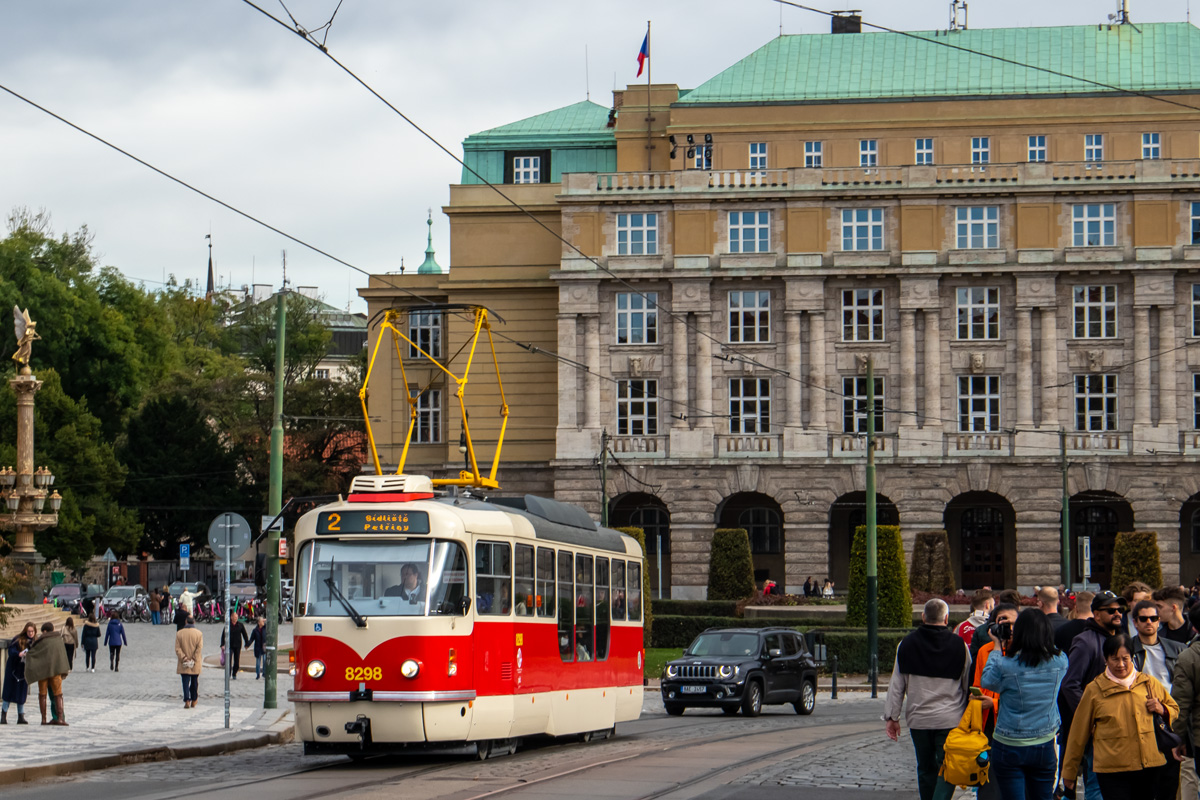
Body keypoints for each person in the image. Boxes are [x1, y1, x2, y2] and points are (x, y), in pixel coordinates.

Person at [1062, 634, 1184, 800]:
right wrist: (1069, 772)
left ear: (1132, 658)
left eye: (1125, 658)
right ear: (1106, 660)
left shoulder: (1149, 683)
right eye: (1115, 659)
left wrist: (1162, 709)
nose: (1121, 664)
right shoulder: (1094, 690)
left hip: (1148, 766)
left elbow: (1174, 709)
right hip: (1112, 769)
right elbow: (1078, 733)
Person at [883, 599, 971, 800]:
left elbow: (897, 684)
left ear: (923, 617)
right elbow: (967, 682)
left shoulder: (906, 644)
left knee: (925, 767)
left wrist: (892, 717)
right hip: (951, 718)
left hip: (919, 718)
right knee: (948, 766)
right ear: (946, 618)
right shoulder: (960, 645)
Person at [979, 608, 1069, 799]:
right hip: (1044, 742)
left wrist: (997, 645)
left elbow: (987, 680)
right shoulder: (1060, 661)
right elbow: (1046, 652)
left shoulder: (1006, 666)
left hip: (1009, 743)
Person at [1060, 589, 1126, 800]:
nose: (1117, 614)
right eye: (1111, 610)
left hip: (1122, 723)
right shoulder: (1085, 641)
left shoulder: (1121, 638)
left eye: (1119, 610)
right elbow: (1070, 684)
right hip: (1099, 727)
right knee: (1097, 784)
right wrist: (1091, 716)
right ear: (1096, 614)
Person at [24, 621, 69, 726]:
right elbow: (62, 655)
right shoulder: (58, 639)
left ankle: (43, 719)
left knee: (42, 694)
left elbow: (34, 653)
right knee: (58, 694)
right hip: (56, 671)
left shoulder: (41, 641)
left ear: (44, 631)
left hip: (43, 673)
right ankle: (60, 719)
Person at [1, 621, 35, 724]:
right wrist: (18, 654)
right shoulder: (18, 640)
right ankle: (3, 716)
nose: (30, 633)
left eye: (32, 631)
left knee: (21, 693)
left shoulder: (35, 642)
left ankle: (21, 716)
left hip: (23, 670)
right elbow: (11, 651)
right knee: (8, 692)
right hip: (13, 669)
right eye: (29, 631)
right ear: (25, 631)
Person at [175, 615, 202, 708]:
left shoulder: (179, 633)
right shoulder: (199, 633)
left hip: (184, 662)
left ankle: (187, 700)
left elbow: (177, 648)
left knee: (185, 682)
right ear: (194, 622)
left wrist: (184, 658)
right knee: (194, 682)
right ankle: (194, 699)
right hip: (195, 662)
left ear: (186, 622)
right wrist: (194, 658)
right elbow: (199, 648)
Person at [221, 612, 249, 679]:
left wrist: (247, 643)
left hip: (237, 645)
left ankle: (234, 673)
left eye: (237, 617)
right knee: (229, 660)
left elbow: (245, 635)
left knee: (237, 661)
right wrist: (222, 644)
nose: (236, 619)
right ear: (231, 617)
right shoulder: (228, 625)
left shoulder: (240, 625)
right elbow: (223, 635)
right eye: (234, 617)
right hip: (229, 645)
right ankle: (228, 674)